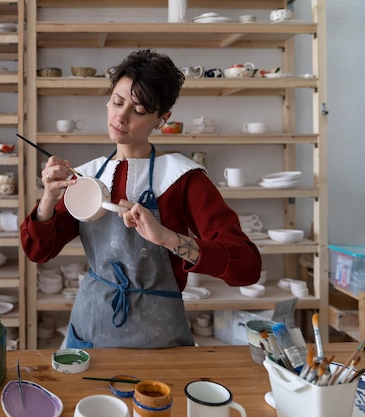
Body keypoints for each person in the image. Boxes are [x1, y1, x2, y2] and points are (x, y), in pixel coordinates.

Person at [20, 49, 262, 349]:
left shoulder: (182, 177)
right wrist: (48, 198)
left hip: (159, 339)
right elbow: (37, 251)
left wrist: (168, 239)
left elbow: (247, 267)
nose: (121, 116)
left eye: (139, 110)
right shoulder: (88, 176)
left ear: (162, 119)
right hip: (89, 330)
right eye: (117, 102)